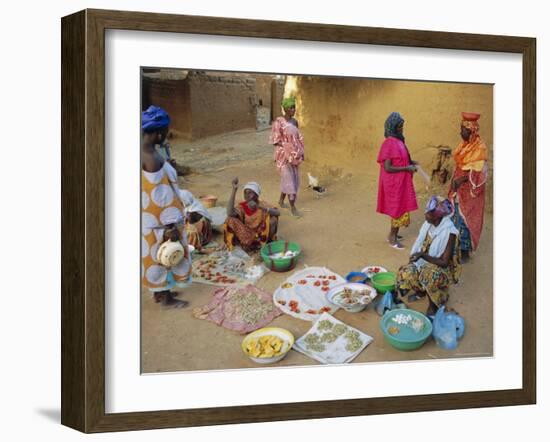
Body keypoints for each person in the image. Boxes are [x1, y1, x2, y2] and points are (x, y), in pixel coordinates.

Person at [141, 105, 192, 309]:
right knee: (167, 256)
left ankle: (159, 293)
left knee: (155, 256)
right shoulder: (152, 159)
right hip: (162, 222)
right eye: (165, 131)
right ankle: (167, 299)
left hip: (148, 220)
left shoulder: (143, 151)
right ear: (158, 132)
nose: (166, 135)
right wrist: (171, 226)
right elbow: (161, 198)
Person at [396, 196, 461, 315]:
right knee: (407, 271)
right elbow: (420, 244)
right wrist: (417, 257)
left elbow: (444, 262)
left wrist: (422, 255)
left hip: (441, 269)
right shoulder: (428, 225)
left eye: (428, 213)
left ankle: (435, 304)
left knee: (428, 275)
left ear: (436, 216)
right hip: (425, 261)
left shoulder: (449, 233)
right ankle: (421, 291)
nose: (425, 215)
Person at [448, 112, 488, 262]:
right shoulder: (464, 146)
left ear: (471, 131)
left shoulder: (480, 148)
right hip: (459, 189)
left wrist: (462, 179)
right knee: (456, 216)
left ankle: (464, 252)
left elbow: (480, 172)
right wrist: (456, 180)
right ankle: (455, 248)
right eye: (460, 129)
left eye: (463, 130)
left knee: (467, 220)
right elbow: (460, 165)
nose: (460, 132)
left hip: (471, 191)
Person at [376, 112, 419, 249]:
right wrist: (407, 168)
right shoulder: (389, 143)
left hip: (401, 182)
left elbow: (401, 159)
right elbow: (388, 167)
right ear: (393, 127)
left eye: (402, 126)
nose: (401, 129)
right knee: (398, 208)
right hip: (394, 183)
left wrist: (411, 162)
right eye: (400, 127)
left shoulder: (399, 141)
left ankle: (393, 233)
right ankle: (393, 238)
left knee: (401, 206)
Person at [269, 96, 305, 217]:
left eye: (294, 107)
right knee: (289, 179)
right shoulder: (278, 122)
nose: (293, 109)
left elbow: (298, 138)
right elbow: (275, 141)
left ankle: (280, 200)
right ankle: (293, 207)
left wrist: (299, 151)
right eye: (290, 107)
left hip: (294, 156)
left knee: (290, 179)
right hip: (283, 157)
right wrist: (286, 147)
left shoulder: (295, 122)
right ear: (284, 108)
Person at [224, 178, 280, 252]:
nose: (247, 195)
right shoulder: (243, 206)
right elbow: (230, 213)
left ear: (257, 195)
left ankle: (265, 244)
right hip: (247, 235)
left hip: (261, 236)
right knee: (229, 219)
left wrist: (259, 207)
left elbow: (278, 212)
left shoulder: (262, 204)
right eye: (245, 193)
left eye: (250, 193)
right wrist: (234, 190)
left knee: (273, 220)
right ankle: (246, 244)